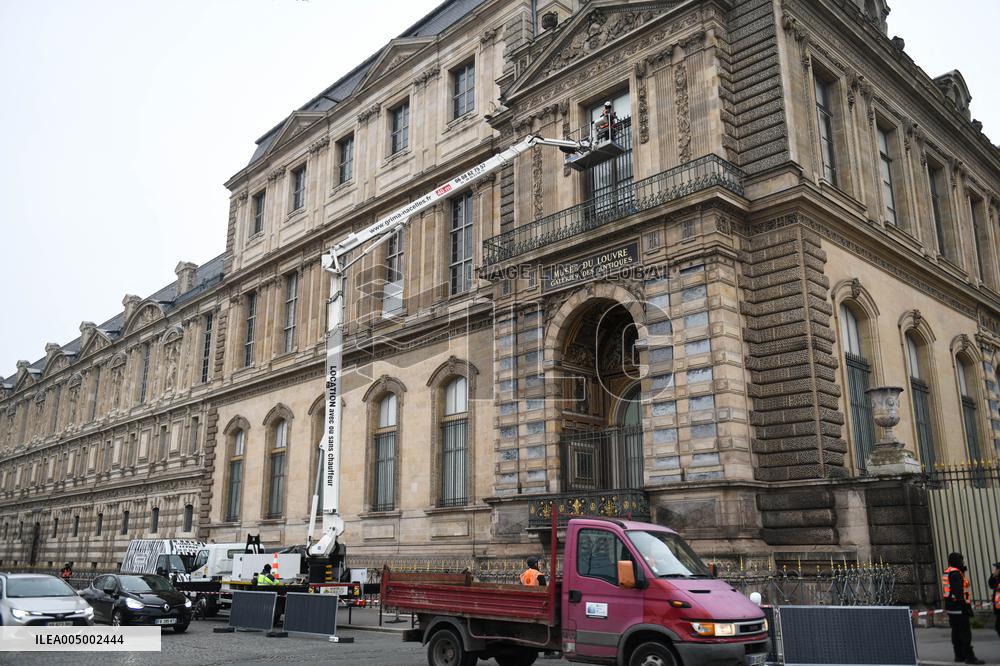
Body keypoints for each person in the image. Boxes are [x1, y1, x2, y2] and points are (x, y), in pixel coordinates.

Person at [943, 552, 984, 664]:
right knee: (965, 633)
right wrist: (965, 606)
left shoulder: (948, 572)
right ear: (958, 561)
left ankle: (959, 655)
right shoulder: (956, 573)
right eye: (961, 560)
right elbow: (958, 592)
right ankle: (969, 657)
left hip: (951, 607)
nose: (963, 562)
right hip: (959, 607)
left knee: (956, 632)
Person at [989, 562, 1000, 639]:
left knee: (998, 626)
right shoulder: (997, 577)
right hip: (998, 607)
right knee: (998, 626)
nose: (995, 570)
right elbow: (991, 584)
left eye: (997, 568)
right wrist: (994, 575)